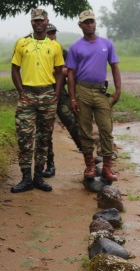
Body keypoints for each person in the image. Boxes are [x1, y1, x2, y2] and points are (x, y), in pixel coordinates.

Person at [10, 9, 63, 193]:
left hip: (48, 94)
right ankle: (26, 178)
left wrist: (55, 93)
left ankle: (39, 177)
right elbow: (15, 69)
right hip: (28, 95)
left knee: (44, 138)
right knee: (25, 137)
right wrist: (21, 91)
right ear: (31, 22)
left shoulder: (54, 46)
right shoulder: (22, 43)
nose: (38, 23)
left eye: (41, 20)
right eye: (35, 20)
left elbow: (59, 71)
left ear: (47, 21)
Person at [65, 10, 121, 182]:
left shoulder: (106, 44)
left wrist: (118, 90)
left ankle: (107, 167)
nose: (89, 24)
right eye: (86, 22)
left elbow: (114, 66)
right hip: (82, 90)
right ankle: (90, 165)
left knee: (106, 128)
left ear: (95, 23)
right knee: (85, 129)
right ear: (80, 25)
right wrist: (72, 98)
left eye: (92, 21)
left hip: (100, 91)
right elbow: (71, 74)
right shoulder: (76, 47)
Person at [45, 24, 82, 179]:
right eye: (49, 33)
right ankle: (49, 164)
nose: (52, 35)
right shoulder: (38, 51)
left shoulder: (63, 51)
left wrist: (53, 71)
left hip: (60, 94)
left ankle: (88, 156)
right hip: (43, 93)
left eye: (53, 32)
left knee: (73, 123)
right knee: (45, 131)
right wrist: (60, 71)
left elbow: (72, 71)